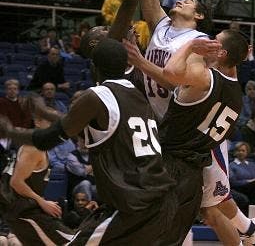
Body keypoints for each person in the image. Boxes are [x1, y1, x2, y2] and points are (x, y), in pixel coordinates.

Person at [111, 0, 255, 246]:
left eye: (191, 0)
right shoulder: (162, 25)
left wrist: (139, 60)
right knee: (201, 206)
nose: (181, 0)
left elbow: (173, 78)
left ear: (199, 16)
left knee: (207, 206)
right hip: (162, 128)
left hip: (190, 133)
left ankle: (246, 230)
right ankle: (247, 230)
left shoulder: (198, 42)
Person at [0, 38, 177, 245]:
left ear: (94, 66)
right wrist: (43, 112)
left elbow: (50, 136)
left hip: (134, 205)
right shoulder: (138, 96)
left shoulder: (97, 96)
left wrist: (10, 132)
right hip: (164, 201)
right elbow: (79, 126)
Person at [1, 112, 74, 245]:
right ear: (38, 122)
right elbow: (16, 182)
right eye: (51, 122)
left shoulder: (37, 146)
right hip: (24, 211)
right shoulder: (34, 148)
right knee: (71, 242)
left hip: (24, 209)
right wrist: (42, 202)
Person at [229, 142, 255, 207]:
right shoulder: (231, 165)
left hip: (252, 188)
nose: (241, 152)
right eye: (239, 150)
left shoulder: (252, 165)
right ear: (235, 152)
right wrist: (247, 181)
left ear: (247, 152)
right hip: (238, 188)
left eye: (243, 150)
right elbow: (233, 183)